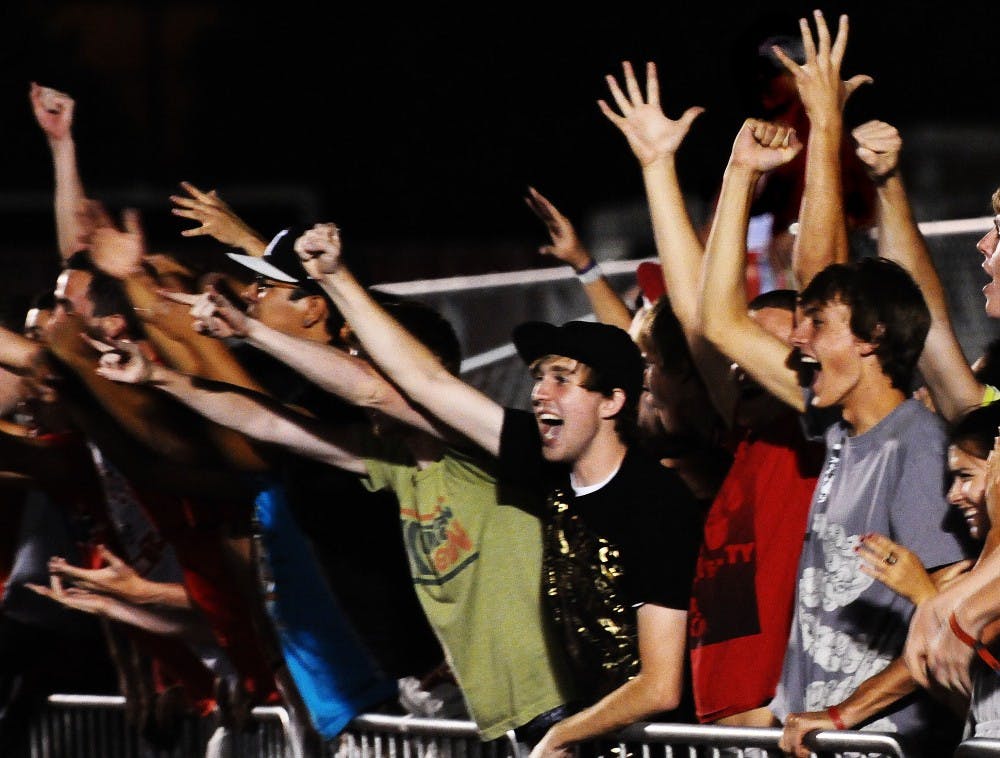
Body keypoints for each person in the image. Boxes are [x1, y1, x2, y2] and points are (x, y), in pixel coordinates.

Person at [96, 224, 579, 748]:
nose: (346, 373)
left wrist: (255, 328)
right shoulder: (394, 463)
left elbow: (374, 390)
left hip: (560, 710)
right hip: (505, 714)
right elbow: (270, 423)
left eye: (361, 358)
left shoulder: (477, 448)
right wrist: (159, 378)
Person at [278, 223, 702, 758]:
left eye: (561, 379)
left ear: (612, 401)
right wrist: (337, 279)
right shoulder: (546, 466)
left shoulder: (655, 501)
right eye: (539, 376)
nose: (539, 392)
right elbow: (423, 384)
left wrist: (564, 733)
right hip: (584, 739)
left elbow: (660, 685)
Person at [698, 26, 970, 751]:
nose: (795, 338)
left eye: (814, 325)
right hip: (817, 739)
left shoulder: (915, 444)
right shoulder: (838, 429)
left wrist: (846, 716)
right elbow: (720, 318)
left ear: (872, 341)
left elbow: (950, 613)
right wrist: (738, 172)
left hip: (874, 745)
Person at [598, 58, 824, 726]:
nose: (746, 362)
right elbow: (707, 319)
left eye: (772, 348)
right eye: (743, 353)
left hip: (779, 731)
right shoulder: (745, 436)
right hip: (724, 730)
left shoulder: (813, 437)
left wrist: (760, 167)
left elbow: (713, 319)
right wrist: (661, 167)